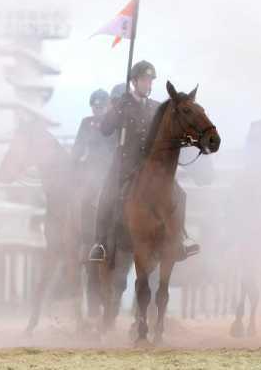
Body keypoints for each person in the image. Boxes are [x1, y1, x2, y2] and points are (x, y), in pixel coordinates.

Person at [88, 60, 200, 262]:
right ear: (134, 81)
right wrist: (116, 108)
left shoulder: (157, 107)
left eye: (150, 81)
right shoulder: (123, 105)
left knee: (180, 194)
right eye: (144, 80)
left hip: (150, 166)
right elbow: (105, 129)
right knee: (107, 195)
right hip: (125, 164)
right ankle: (100, 243)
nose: (148, 84)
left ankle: (181, 237)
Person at [71, 88, 116, 316]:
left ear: (109, 105)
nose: (98, 110)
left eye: (102, 106)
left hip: (111, 173)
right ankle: (84, 240)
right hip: (92, 173)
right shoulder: (86, 123)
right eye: (95, 106)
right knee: (82, 200)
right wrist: (74, 163)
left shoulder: (115, 123)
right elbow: (78, 149)